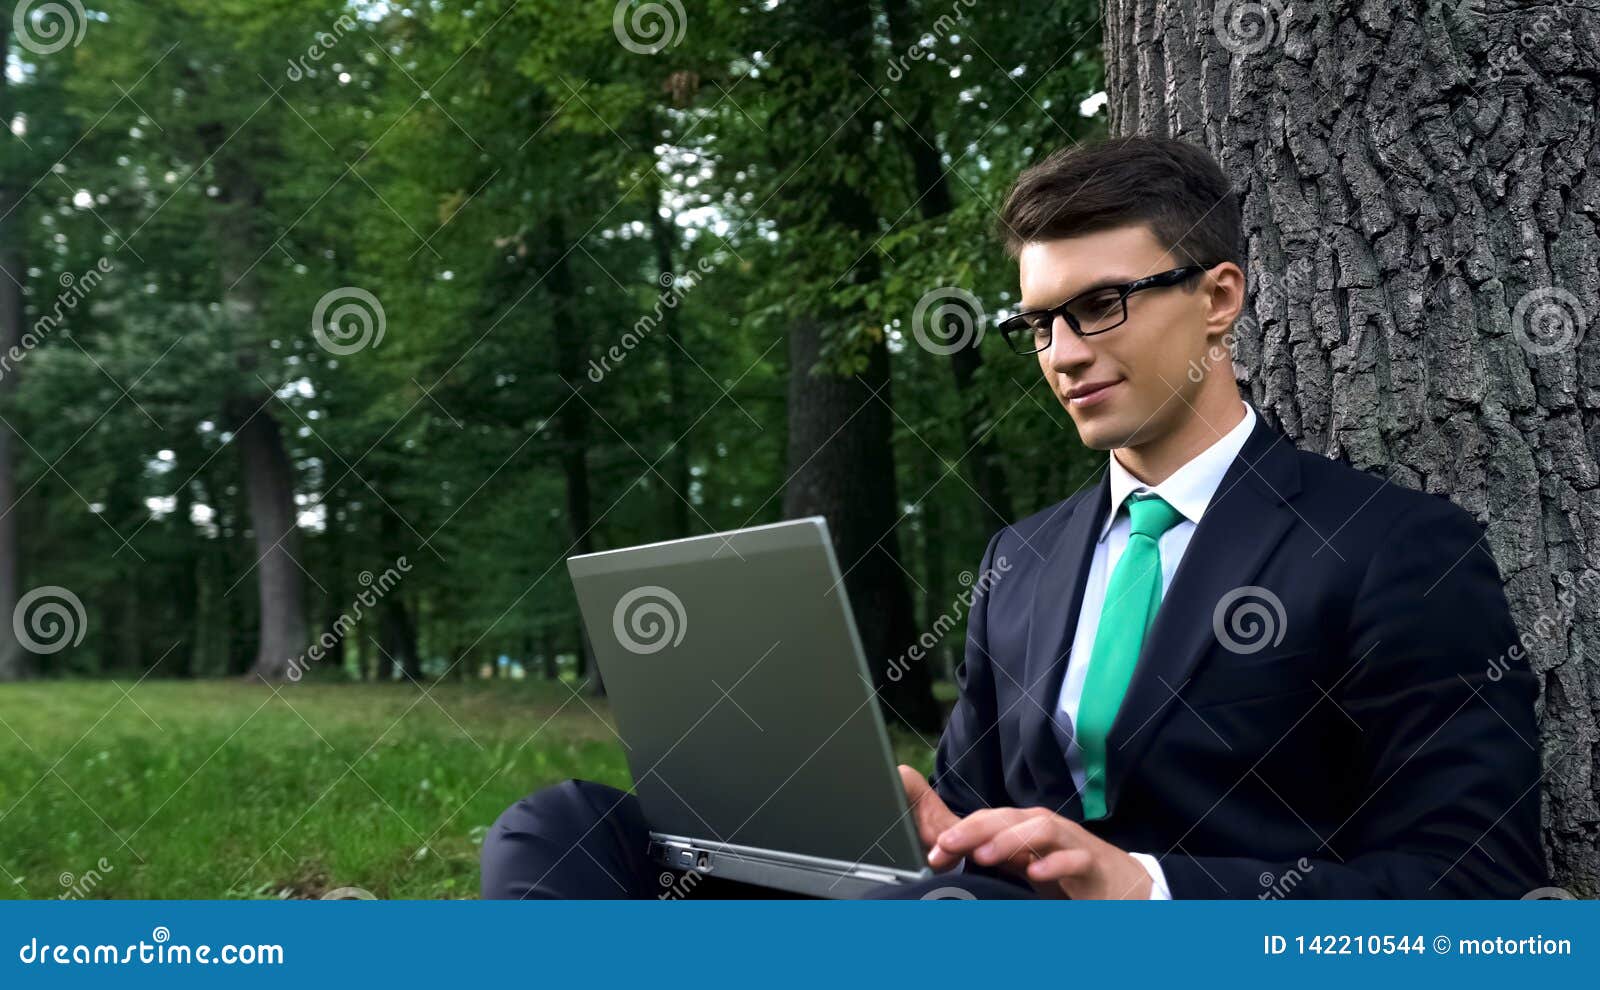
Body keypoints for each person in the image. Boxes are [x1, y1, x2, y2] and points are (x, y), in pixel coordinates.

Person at [480, 136, 1545, 900]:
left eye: (1100, 306)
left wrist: (1145, 887)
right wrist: (923, 825)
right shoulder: (1023, 559)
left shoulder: (1396, 548)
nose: (1063, 353)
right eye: (1037, 324)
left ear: (1219, 298)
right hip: (958, 914)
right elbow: (972, 802)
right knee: (565, 822)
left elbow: (1471, 877)